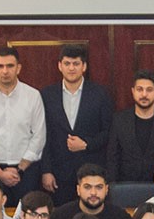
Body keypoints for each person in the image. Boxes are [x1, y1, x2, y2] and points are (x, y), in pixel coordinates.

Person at [37, 44, 114, 205]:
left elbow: (108, 132)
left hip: (91, 173)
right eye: (67, 63)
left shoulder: (100, 94)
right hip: (58, 174)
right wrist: (46, 171)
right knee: (61, 216)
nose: (71, 68)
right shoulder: (47, 95)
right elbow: (42, 136)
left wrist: (86, 144)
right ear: (60, 66)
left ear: (84, 66)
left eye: (76, 64)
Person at [0, 46, 46, 202]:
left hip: (27, 170)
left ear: (18, 68)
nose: (5, 71)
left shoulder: (33, 96)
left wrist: (20, 169)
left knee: (27, 213)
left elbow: (39, 136)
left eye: (10, 66)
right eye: (0, 66)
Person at [108, 70, 154, 183]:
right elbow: (112, 157)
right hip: (126, 186)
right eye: (139, 89)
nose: (144, 94)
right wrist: (112, 186)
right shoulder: (119, 120)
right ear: (133, 91)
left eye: (149, 90)